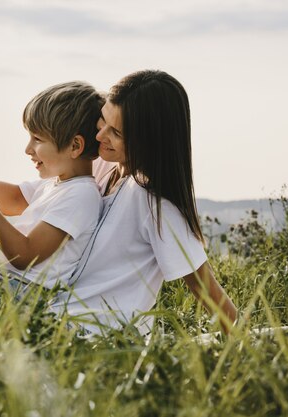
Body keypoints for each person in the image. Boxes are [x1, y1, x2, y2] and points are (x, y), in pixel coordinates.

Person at [52, 70, 238, 335]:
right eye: (102, 119)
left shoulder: (155, 202)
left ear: (149, 142)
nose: (99, 135)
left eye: (115, 132)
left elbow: (203, 286)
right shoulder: (105, 169)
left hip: (100, 337)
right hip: (56, 318)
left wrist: (244, 343)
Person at [0, 81, 104, 293]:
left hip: (13, 287)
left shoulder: (81, 195)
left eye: (37, 139)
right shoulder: (56, 184)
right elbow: (10, 199)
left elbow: (24, 255)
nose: (28, 149)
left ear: (74, 146)